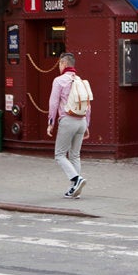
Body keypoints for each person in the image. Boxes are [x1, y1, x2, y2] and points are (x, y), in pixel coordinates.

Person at [46, 52, 90, 199]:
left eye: (59, 64)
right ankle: (74, 190)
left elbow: (53, 103)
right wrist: (87, 124)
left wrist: (51, 122)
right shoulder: (80, 80)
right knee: (75, 155)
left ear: (64, 64)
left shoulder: (59, 81)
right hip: (81, 121)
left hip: (67, 120)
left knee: (59, 154)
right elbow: (88, 105)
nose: (59, 67)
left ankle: (76, 179)